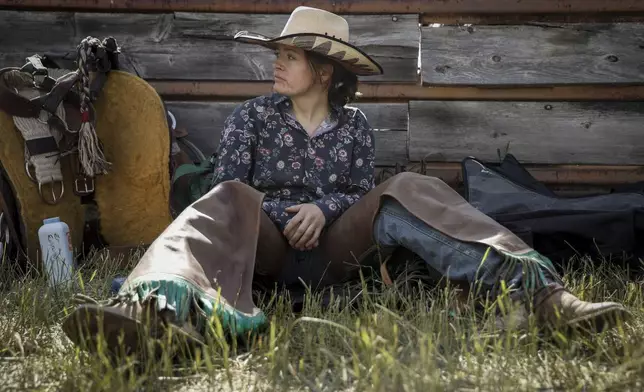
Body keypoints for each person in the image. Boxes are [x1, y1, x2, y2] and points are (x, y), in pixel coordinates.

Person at [62, 6, 630, 355]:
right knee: (229, 194)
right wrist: (287, 214)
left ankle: (540, 297)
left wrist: (325, 210)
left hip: (337, 252)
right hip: (269, 252)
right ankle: (156, 312)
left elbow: (362, 193)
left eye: (290, 56)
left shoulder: (356, 128)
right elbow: (227, 192)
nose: (277, 64)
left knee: (406, 187)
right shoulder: (252, 118)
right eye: (278, 54)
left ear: (324, 71)